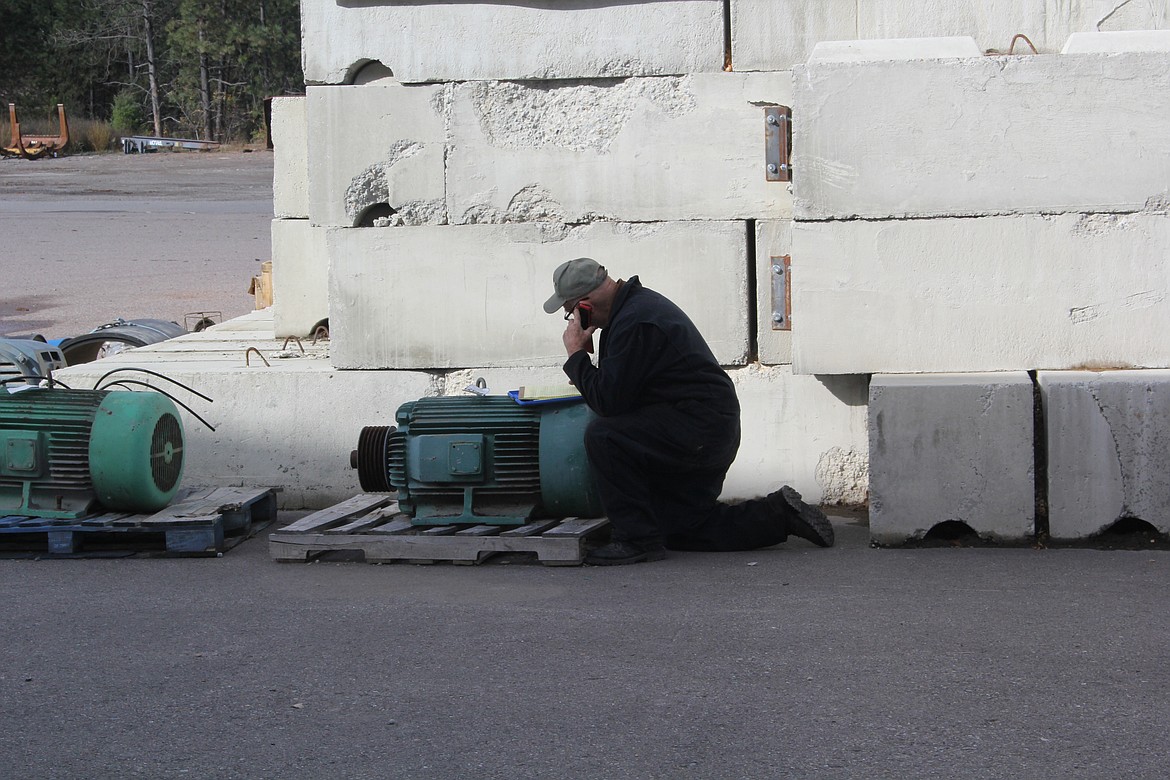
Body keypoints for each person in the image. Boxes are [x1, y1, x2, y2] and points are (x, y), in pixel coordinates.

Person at [542, 257, 835, 565]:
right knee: (681, 528)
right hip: (703, 426)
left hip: (697, 429)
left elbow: (608, 403)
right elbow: (620, 395)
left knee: (604, 436)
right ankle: (779, 515)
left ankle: (635, 540)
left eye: (569, 311)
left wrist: (575, 354)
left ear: (583, 304)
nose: (570, 318)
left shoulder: (635, 322)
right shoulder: (632, 311)